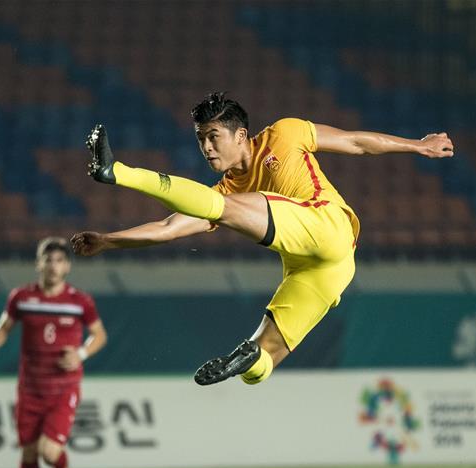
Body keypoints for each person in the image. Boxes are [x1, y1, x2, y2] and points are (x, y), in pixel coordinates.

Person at [73, 92, 453, 385]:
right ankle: (245, 363)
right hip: (325, 271)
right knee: (264, 357)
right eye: (200, 139)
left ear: (241, 135)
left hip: (328, 226)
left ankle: (118, 171)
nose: (206, 148)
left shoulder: (284, 133)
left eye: (213, 137)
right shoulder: (223, 193)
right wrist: (108, 241)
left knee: (223, 208)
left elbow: (354, 141)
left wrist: (418, 145)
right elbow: (169, 228)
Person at [0, 237, 107, 468]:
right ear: (39, 264)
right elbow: (4, 327)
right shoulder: (21, 297)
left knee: (48, 452)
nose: (53, 265)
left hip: (63, 388)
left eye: (59, 260)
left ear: (68, 267)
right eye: (48, 260)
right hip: (30, 388)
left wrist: (81, 353)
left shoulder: (79, 301)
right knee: (27, 453)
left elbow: (99, 335)